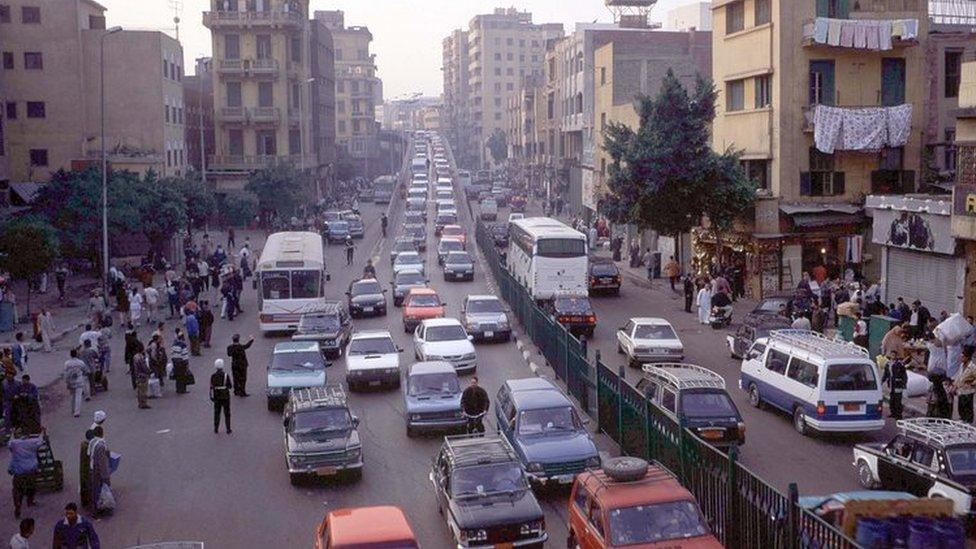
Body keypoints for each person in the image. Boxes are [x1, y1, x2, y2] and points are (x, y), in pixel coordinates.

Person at [7, 430, 45, 518]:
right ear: (28, 435)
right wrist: (42, 432)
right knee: (31, 487)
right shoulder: (32, 443)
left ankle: (18, 504)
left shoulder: (14, 444)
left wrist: (12, 433)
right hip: (30, 471)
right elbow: (41, 441)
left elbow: (10, 442)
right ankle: (30, 500)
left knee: (17, 490)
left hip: (19, 473)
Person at [87, 426, 111, 515]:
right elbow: (102, 463)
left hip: (92, 468)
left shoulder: (92, 442)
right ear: (102, 433)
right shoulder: (100, 445)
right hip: (97, 471)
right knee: (99, 490)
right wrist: (106, 476)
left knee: (94, 490)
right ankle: (97, 509)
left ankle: (95, 507)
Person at [881, 351, 908, 419]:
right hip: (891, 385)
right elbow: (886, 374)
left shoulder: (899, 364)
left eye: (894, 355)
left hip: (898, 384)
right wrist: (881, 381)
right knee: (892, 399)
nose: (893, 356)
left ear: (896, 356)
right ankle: (893, 413)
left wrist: (904, 384)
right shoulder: (888, 364)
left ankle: (898, 415)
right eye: (892, 355)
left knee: (898, 400)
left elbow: (904, 375)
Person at [953, 347, 976, 423]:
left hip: (968, 390)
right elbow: (958, 376)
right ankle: (962, 419)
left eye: (963, 357)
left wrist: (972, 383)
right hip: (961, 389)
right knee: (961, 405)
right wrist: (955, 385)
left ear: (967, 357)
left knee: (968, 406)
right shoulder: (961, 365)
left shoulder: (973, 367)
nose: (961, 358)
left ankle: (968, 421)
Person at [210, 359, 232, 434]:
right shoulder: (226, 375)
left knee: (217, 412)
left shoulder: (213, 376)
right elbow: (230, 386)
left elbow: (211, 386)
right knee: (227, 413)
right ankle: (228, 429)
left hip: (217, 396)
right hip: (225, 396)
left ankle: (216, 428)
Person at [63, 350, 88, 418]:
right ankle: (77, 412)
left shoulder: (67, 363)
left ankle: (73, 409)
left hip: (71, 381)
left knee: (72, 396)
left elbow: (65, 373)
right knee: (78, 396)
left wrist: (66, 382)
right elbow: (85, 370)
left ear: (70, 355)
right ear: (77, 354)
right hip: (79, 381)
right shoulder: (80, 362)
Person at [171, 330, 191, 394]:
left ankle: (178, 389)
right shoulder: (183, 345)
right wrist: (187, 364)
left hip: (175, 362)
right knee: (182, 377)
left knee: (177, 377)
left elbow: (172, 354)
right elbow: (185, 356)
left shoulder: (174, 344)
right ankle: (182, 390)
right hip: (181, 363)